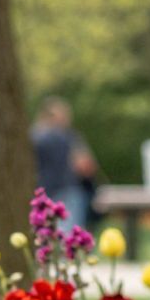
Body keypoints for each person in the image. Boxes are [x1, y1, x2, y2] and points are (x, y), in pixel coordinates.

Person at [31, 96, 97, 228]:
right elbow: (85, 166)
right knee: (69, 239)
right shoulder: (69, 137)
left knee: (44, 236)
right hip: (68, 191)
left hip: (40, 193)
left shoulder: (32, 136)